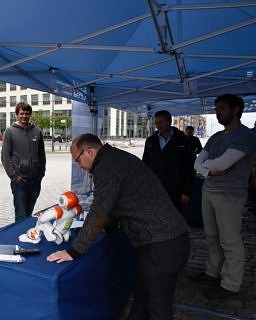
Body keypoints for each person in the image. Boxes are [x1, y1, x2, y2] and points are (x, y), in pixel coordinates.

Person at [47, 133, 190, 320]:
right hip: (158, 240)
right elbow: (118, 202)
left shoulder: (107, 165)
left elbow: (101, 210)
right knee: (142, 294)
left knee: (158, 305)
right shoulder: (113, 158)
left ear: (89, 152)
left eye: (77, 160)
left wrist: (75, 251)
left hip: (163, 242)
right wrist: (109, 227)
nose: (78, 166)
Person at [192, 94, 256, 300]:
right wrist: (209, 171)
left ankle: (230, 284)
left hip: (230, 194)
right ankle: (212, 273)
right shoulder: (216, 137)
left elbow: (222, 164)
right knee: (211, 237)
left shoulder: (245, 136)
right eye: (217, 108)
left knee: (230, 240)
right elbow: (197, 163)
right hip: (209, 191)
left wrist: (206, 169)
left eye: (222, 108)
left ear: (236, 109)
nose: (218, 112)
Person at [1, 102, 46, 221]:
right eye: (21, 113)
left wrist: (41, 173)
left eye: (27, 113)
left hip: (35, 180)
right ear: (17, 114)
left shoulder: (37, 131)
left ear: (30, 114)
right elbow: (5, 156)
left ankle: (29, 236)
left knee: (29, 212)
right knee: (21, 214)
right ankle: (20, 237)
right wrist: (14, 176)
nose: (24, 116)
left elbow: (42, 154)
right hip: (19, 181)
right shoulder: (10, 132)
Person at [142, 110, 195, 211]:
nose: (158, 125)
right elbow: (145, 164)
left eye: (161, 122)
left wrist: (187, 191)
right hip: (155, 187)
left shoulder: (183, 140)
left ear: (169, 121)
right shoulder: (151, 140)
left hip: (176, 190)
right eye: (156, 123)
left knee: (174, 217)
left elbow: (190, 167)